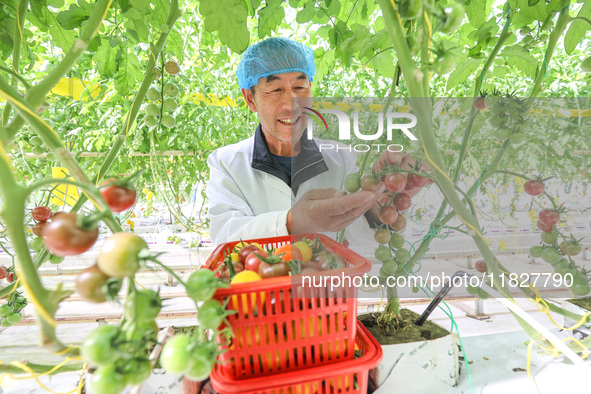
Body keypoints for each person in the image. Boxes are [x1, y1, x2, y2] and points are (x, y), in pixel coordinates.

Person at [205, 37, 428, 246]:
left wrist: (378, 205)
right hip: (260, 288)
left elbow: (361, 241)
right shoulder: (226, 163)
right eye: (275, 90)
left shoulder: (344, 158)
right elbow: (224, 236)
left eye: (300, 87)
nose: (291, 103)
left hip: (329, 287)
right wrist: (291, 222)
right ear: (250, 99)